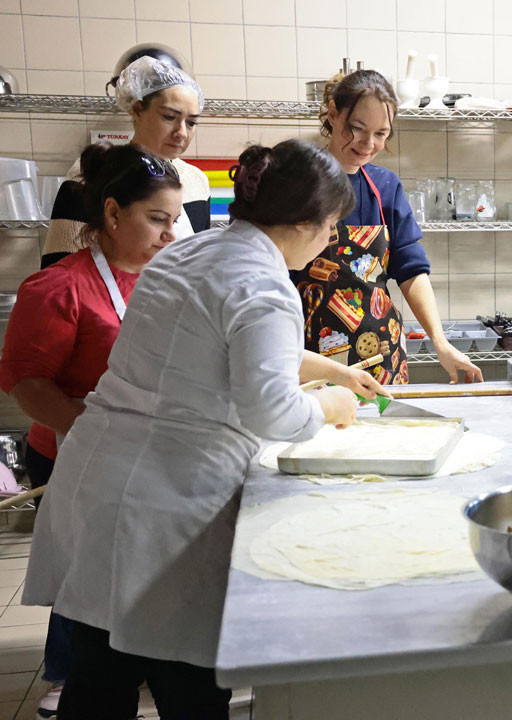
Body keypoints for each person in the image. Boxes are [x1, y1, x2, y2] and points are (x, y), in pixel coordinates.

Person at [20, 139, 366, 719]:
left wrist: (316, 373)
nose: (330, 239)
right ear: (304, 223)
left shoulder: (188, 252)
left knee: (99, 679)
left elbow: (203, 356)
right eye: (330, 227)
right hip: (169, 502)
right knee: (189, 692)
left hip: (100, 476)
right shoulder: (265, 284)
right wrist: (327, 405)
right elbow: (270, 411)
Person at [0, 143, 182, 718]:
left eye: (173, 221)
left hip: (149, 462)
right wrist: (97, 426)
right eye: (156, 220)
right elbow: (27, 385)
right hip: (79, 462)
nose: (168, 235)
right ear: (110, 214)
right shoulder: (56, 289)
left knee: (144, 594)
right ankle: (87, 682)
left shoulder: (168, 281)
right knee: (95, 606)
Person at [296, 69, 480, 386]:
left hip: (380, 358)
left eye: (381, 134)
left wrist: (440, 341)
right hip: (309, 357)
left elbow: (410, 268)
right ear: (333, 114)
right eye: (357, 129)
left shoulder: (384, 186)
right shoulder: (297, 181)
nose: (368, 144)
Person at [43, 55, 210, 268]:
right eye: (169, 117)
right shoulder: (95, 173)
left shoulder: (197, 182)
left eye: (191, 122)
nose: (182, 133)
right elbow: (58, 268)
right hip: (106, 300)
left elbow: (199, 261)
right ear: (137, 109)